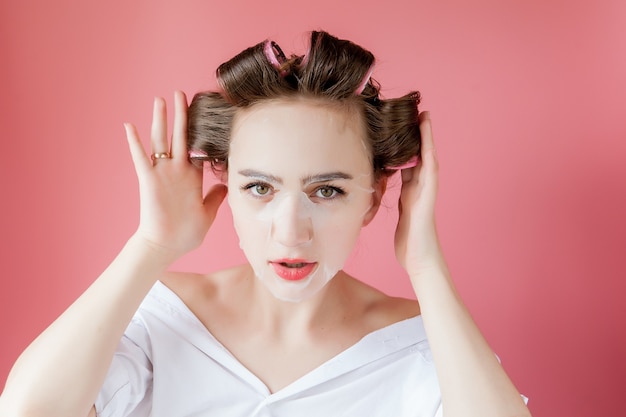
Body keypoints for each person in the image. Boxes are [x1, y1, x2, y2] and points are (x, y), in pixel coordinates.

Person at [0, 31, 530, 417]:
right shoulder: (161, 319)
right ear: (226, 186)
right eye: (259, 188)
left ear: (374, 199)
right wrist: (152, 245)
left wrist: (425, 264)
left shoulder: (422, 347)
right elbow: (28, 410)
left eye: (327, 190)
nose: (290, 231)